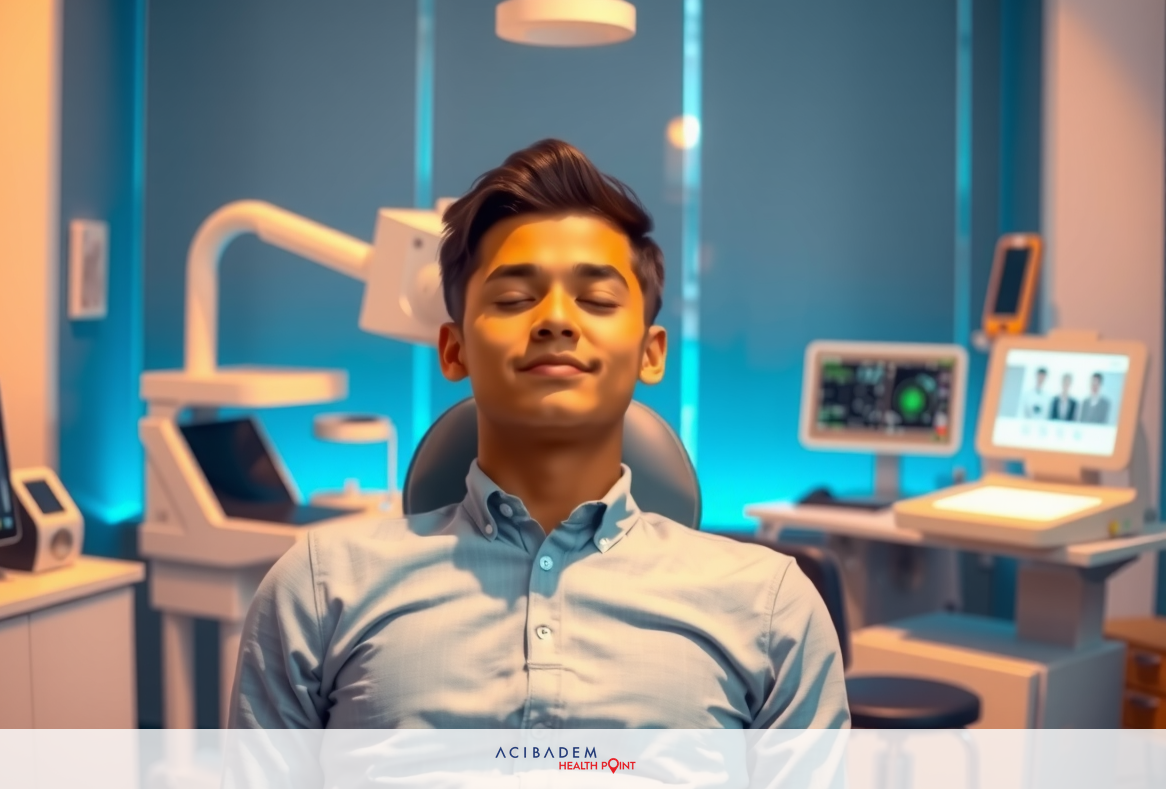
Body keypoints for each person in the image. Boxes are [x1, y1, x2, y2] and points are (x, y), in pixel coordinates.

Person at [229, 139, 848, 731]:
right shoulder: (317, 591)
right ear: (454, 349)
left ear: (650, 354)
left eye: (597, 299)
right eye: (515, 297)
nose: (555, 319)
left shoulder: (771, 610)